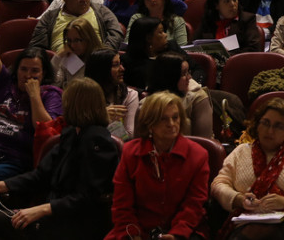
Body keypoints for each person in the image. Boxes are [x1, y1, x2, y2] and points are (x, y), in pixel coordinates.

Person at [0, 78, 121, 240]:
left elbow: (88, 198)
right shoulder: (71, 134)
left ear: (74, 104)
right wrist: (2, 185)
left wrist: (42, 210)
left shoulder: (98, 141)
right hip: (56, 215)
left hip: (78, 223)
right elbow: (40, 175)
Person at [0, 0, 63, 214]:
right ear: (16, 70)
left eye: (35, 71)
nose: (28, 75)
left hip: (17, 159)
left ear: (44, 73)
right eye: (24, 69)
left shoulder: (51, 94)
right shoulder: (5, 84)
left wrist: (34, 96)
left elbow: (46, 131)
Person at [212, 97, 284, 239]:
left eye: (278, 126)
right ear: (257, 125)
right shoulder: (241, 151)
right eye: (265, 123)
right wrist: (239, 199)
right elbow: (218, 184)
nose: (270, 131)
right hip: (245, 222)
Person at [106, 92, 210, 240]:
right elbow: (122, 206)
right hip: (137, 232)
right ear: (150, 124)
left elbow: (193, 206)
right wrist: (134, 235)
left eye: (175, 117)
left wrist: (176, 235)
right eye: (163, 119)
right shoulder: (130, 153)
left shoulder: (198, 155)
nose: (172, 124)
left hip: (185, 231)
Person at [30, 0, 124, 53]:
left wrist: (102, 55)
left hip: (95, 64)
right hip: (60, 64)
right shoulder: (49, 17)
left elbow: (116, 35)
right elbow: (37, 47)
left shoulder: (101, 11)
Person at [193, 0, 264, 72]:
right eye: (227, 1)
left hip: (238, 68)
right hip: (210, 68)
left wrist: (226, 55)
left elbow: (253, 49)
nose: (233, 4)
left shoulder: (247, 19)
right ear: (216, 5)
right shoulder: (208, 20)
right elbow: (193, 45)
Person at [146, 53, 213, 138]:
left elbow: (204, 141)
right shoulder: (146, 104)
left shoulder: (198, 98)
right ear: (170, 77)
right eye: (183, 74)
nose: (189, 77)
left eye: (188, 72)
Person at [85, 49, 139, 139]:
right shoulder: (84, 95)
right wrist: (101, 116)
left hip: (114, 149)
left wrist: (110, 122)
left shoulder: (130, 95)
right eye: (115, 65)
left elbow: (130, 135)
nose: (122, 69)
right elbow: (76, 130)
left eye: (120, 64)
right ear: (101, 70)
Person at [52, 17, 102, 88]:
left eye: (77, 40)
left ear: (89, 39)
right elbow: (53, 84)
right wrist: (58, 56)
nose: (72, 45)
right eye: (69, 40)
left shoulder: (100, 59)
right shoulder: (70, 56)